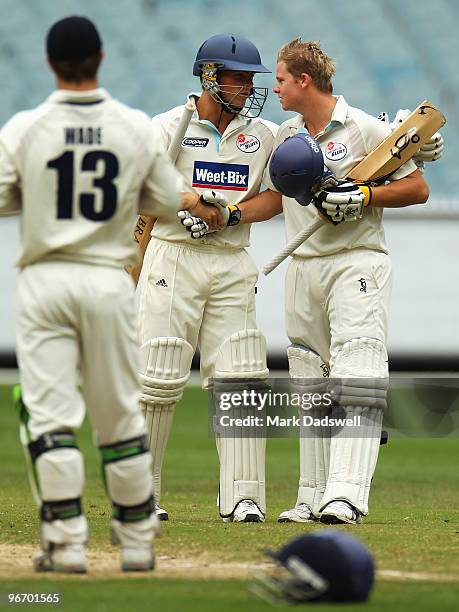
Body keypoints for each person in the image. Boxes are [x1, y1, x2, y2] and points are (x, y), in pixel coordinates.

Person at [187, 38, 442, 525]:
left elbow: (417, 187)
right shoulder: (285, 134)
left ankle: (346, 494)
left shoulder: (364, 126)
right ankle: (311, 495)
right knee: (309, 381)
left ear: (304, 80)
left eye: (280, 79)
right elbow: (266, 196)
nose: (274, 87)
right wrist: (227, 214)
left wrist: (365, 194)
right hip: (302, 265)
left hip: (356, 261)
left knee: (358, 369)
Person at [0, 15, 183, 572]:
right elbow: (168, 200)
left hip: (46, 279)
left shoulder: (24, 128)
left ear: (50, 63)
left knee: (50, 414)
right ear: (100, 58)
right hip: (109, 280)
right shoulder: (133, 127)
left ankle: (65, 545)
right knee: (120, 414)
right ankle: (136, 544)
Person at [136, 34, 281, 523]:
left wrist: (231, 214)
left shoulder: (263, 133)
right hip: (172, 256)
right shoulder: (166, 127)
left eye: (250, 78)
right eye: (239, 77)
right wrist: (192, 203)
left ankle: (243, 496)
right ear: (209, 75)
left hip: (231, 262)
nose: (247, 87)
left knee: (239, 377)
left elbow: (276, 197)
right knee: (157, 378)